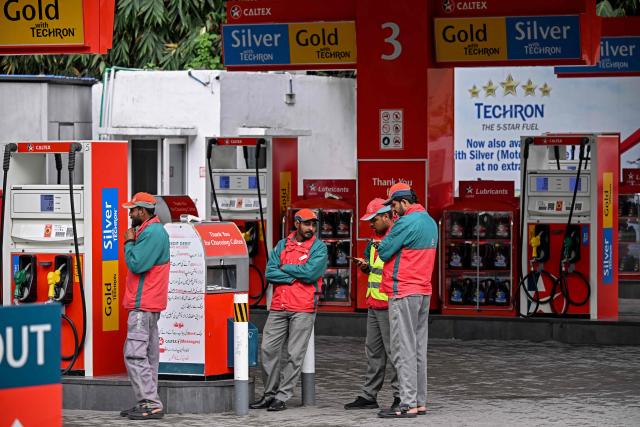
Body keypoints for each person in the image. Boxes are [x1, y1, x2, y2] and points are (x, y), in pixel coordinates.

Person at [250, 208, 328, 412]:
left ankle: (282, 396)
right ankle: (269, 394)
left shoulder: (319, 248)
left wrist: (285, 268)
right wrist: (296, 275)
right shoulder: (282, 245)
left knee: (295, 354)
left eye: (313, 225)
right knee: (268, 349)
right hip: (278, 307)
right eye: (307, 224)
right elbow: (270, 272)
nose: (311, 228)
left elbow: (311, 274)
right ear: (297, 224)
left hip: (303, 308)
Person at [376, 183, 437, 419]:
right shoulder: (430, 221)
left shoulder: (405, 222)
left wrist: (386, 239)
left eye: (393, 204)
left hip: (403, 291)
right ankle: (419, 402)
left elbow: (384, 252)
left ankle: (407, 404)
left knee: (404, 349)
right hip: (423, 292)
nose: (392, 209)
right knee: (419, 348)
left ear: (403, 202)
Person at [344, 198, 400, 411]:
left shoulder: (395, 238)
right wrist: (365, 266)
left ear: (387, 216)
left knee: (394, 352)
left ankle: (399, 396)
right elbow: (376, 268)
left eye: (374, 220)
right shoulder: (374, 240)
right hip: (374, 303)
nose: (371, 224)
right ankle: (369, 395)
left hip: (389, 304)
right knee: (374, 352)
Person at [119, 192, 170, 420]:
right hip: (148, 304)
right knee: (147, 356)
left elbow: (136, 264)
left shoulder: (152, 232)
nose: (130, 214)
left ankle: (150, 403)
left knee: (134, 354)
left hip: (143, 304)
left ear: (142, 211)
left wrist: (129, 242)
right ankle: (146, 402)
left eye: (133, 210)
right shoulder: (151, 231)